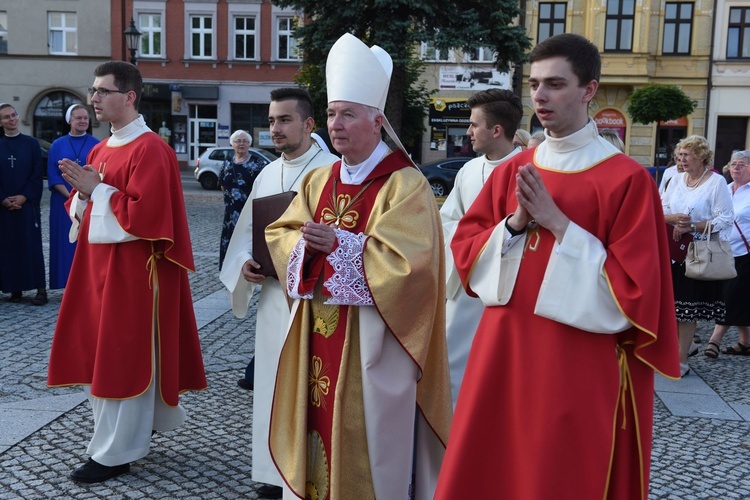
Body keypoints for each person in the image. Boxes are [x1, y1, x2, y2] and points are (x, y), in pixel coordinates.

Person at [436, 33, 679, 499]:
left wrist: (559, 225)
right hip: (503, 351)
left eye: (555, 84)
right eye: (534, 84)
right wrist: (512, 225)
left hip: (576, 359)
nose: (541, 97)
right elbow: (465, 251)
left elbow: (636, 290)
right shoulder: (513, 169)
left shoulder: (626, 179)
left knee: (559, 471)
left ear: (589, 90)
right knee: (494, 465)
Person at [265, 33, 451, 499]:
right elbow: (281, 233)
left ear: (377, 121)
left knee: (371, 449)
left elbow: (414, 267)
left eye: (348, 114)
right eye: (331, 113)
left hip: (375, 345)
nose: (336, 124)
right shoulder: (318, 179)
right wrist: (305, 248)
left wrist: (342, 245)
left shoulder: (405, 185)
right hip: (317, 338)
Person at [47, 61, 207, 483]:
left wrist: (95, 190)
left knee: (125, 358)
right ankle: (128, 431)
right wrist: (82, 198)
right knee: (101, 356)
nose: (93, 99)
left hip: (136, 274)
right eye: (93, 90)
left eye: (103, 91)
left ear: (130, 96)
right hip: (97, 272)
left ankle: (116, 452)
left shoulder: (151, 149)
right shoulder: (101, 149)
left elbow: (147, 217)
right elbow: (82, 207)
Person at [220, 87, 338, 499]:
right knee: (271, 384)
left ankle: (309, 472)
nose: (275, 128)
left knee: (308, 388)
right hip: (273, 298)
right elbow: (245, 236)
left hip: (314, 302)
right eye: (271, 120)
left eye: (285, 120)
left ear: (308, 124)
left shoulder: (332, 171)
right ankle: (273, 473)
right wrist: (245, 265)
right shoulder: (267, 173)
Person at [440, 88, 522, 408]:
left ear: (496, 130)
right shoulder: (468, 170)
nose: (468, 132)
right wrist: (465, 247)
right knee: (456, 369)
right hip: (464, 281)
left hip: (506, 288)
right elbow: (449, 221)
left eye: (474, 125)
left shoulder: (527, 169)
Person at [662, 135, 733, 376]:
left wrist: (692, 226)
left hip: (698, 253)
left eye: (687, 155)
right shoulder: (674, 178)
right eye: (680, 155)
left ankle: (680, 360)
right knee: (670, 308)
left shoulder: (717, 182)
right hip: (673, 251)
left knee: (686, 310)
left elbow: (725, 219)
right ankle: (680, 349)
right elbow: (661, 209)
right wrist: (673, 219)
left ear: (702, 157)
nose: (681, 159)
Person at [47, 104, 99, 289]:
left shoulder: (96, 144)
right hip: (63, 202)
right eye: (79, 118)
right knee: (64, 244)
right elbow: (53, 175)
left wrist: (84, 194)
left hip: (88, 201)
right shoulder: (57, 145)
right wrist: (73, 195)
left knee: (84, 244)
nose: (83, 121)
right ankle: (65, 284)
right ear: (70, 120)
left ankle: (86, 285)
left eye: (85, 118)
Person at [703, 150, 750, 358]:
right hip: (722, 251)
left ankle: (714, 340)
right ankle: (746, 342)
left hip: (745, 254)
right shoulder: (725, 189)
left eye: (741, 164)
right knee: (735, 297)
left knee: (731, 297)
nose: (736, 168)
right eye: (733, 164)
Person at [0, 103, 47, 305]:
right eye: (6, 117)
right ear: (0, 122)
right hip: (3, 206)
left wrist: (24, 196)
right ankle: (13, 287)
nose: (11, 119)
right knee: (7, 246)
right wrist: (2, 198)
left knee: (31, 245)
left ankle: (40, 289)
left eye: (14, 115)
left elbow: (37, 174)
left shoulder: (31, 144)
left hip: (27, 206)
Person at [219, 130, 269, 269]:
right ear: (232, 144)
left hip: (250, 212)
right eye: (238, 141)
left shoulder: (259, 163)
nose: (241, 144)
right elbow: (222, 184)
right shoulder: (227, 163)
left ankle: (248, 269)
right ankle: (230, 269)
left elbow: (267, 184)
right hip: (230, 213)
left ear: (249, 144)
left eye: (245, 141)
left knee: (246, 242)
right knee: (230, 243)